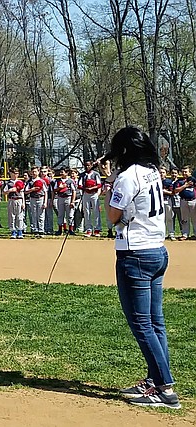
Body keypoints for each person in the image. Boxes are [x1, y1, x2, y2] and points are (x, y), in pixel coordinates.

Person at [103, 125, 180, 409]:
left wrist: (110, 188)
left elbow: (113, 216)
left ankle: (165, 387)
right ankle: (155, 380)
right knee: (155, 322)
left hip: (134, 253)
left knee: (142, 324)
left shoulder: (127, 176)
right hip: (157, 250)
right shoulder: (152, 171)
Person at [79, 161, 103, 237]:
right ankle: (88, 229)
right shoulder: (82, 175)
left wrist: (92, 188)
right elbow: (79, 185)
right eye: (85, 165)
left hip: (94, 194)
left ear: (92, 165)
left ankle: (97, 229)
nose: (87, 167)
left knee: (96, 211)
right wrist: (85, 188)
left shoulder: (96, 174)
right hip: (86, 194)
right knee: (86, 211)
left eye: (88, 165)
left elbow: (99, 184)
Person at [172, 165, 196, 240]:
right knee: (184, 219)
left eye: (186, 171)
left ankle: (195, 234)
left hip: (193, 201)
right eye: (183, 172)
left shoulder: (194, 180)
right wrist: (185, 186)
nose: (184, 173)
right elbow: (175, 191)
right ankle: (185, 234)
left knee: (194, 218)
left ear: (190, 172)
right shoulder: (179, 181)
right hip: (183, 201)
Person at [52, 167, 77, 236]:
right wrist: (60, 188)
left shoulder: (70, 181)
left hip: (68, 197)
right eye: (61, 172)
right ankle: (60, 229)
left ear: (66, 173)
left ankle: (71, 229)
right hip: (60, 197)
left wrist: (72, 201)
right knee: (60, 214)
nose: (61, 173)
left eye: (62, 172)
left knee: (70, 215)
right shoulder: (57, 181)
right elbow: (55, 190)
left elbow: (74, 191)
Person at [3, 168, 25, 239]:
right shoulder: (8, 183)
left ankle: (20, 231)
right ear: (11, 174)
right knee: (11, 216)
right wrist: (9, 191)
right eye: (14, 173)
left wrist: (23, 203)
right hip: (11, 199)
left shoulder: (20, 182)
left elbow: (22, 193)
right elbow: (4, 192)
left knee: (19, 216)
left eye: (17, 173)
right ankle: (13, 231)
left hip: (19, 199)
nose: (15, 175)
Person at [25, 166, 47, 236]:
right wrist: (32, 189)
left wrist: (45, 202)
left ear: (38, 172)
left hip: (40, 198)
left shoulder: (41, 181)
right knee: (33, 215)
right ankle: (35, 230)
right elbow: (25, 191)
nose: (34, 173)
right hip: (32, 198)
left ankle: (41, 230)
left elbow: (45, 192)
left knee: (41, 215)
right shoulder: (29, 181)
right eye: (33, 172)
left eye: (35, 171)